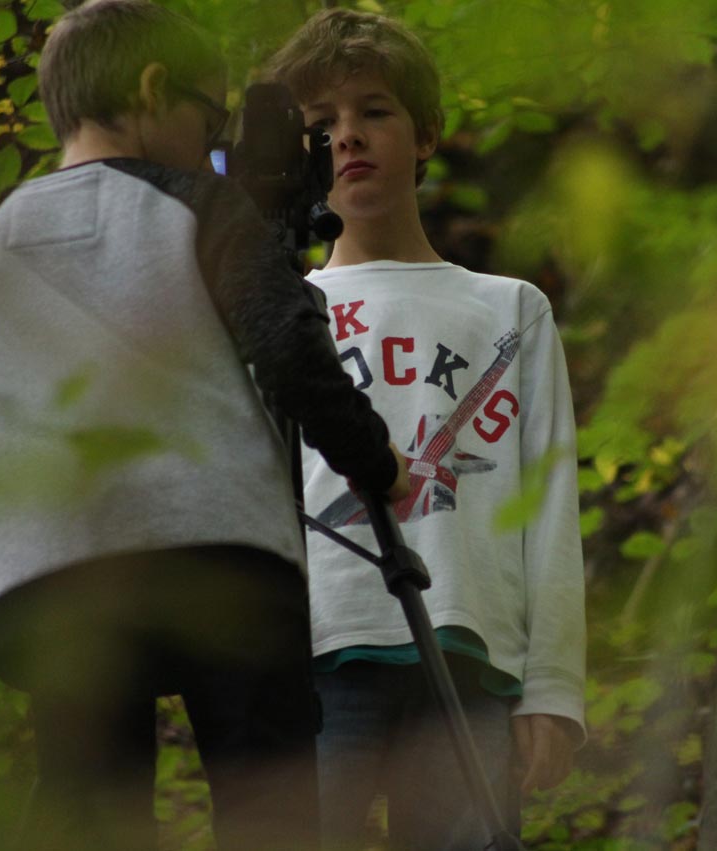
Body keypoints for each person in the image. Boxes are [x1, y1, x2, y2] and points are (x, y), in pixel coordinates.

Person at [0, 1, 408, 848]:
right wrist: (374, 459)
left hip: (61, 580)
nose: (211, 144)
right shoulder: (200, 206)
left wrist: (8, 525)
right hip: (222, 557)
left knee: (91, 809)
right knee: (266, 798)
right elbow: (288, 348)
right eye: (207, 118)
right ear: (154, 90)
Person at [263, 9, 587, 849]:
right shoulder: (277, 312)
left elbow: (549, 500)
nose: (347, 136)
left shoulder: (510, 309)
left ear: (427, 133)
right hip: (317, 648)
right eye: (320, 124)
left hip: (468, 653)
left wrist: (552, 686)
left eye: (374, 110)